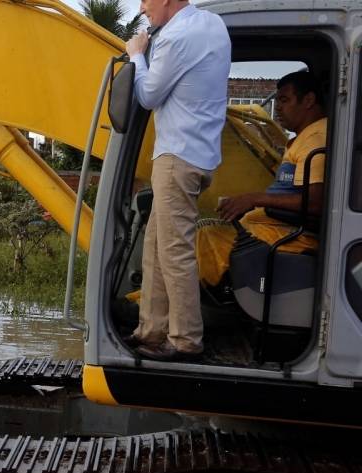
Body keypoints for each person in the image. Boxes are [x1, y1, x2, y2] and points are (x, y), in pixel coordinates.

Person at [125, 0, 231, 362]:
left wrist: (137, 55)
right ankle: (151, 331)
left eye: (145, 0)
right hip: (200, 156)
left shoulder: (174, 36)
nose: (142, 8)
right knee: (156, 245)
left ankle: (185, 340)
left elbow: (147, 95)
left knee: (173, 250)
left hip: (177, 156)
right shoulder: (213, 24)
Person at [198, 71, 327, 288]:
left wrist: (254, 199)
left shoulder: (315, 139)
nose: (278, 108)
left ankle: (179, 308)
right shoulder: (304, 137)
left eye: (285, 100)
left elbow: (315, 203)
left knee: (206, 235)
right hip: (273, 227)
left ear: (309, 101)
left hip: (291, 236)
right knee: (206, 226)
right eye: (277, 101)